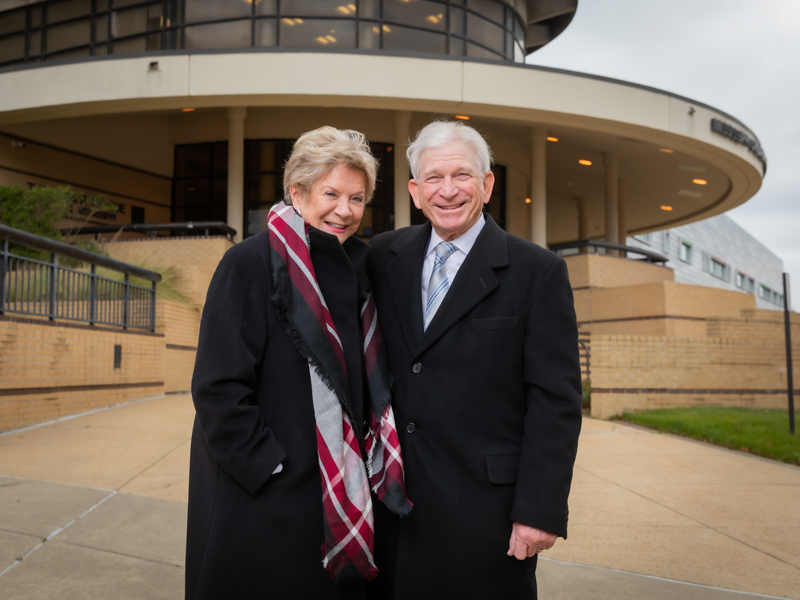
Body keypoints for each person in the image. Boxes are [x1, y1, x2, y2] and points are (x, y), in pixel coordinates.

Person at [186, 126, 412, 600]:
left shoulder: (361, 267)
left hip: (340, 493)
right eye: (331, 193)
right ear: (297, 191)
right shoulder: (250, 263)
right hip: (268, 495)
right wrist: (271, 471)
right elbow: (217, 387)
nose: (345, 210)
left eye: (357, 198)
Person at [365, 121, 583, 599]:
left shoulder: (538, 272)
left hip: (486, 517)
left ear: (486, 184)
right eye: (433, 179)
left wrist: (539, 510)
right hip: (390, 509)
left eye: (461, 175)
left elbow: (555, 403)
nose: (447, 191)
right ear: (415, 191)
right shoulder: (382, 256)